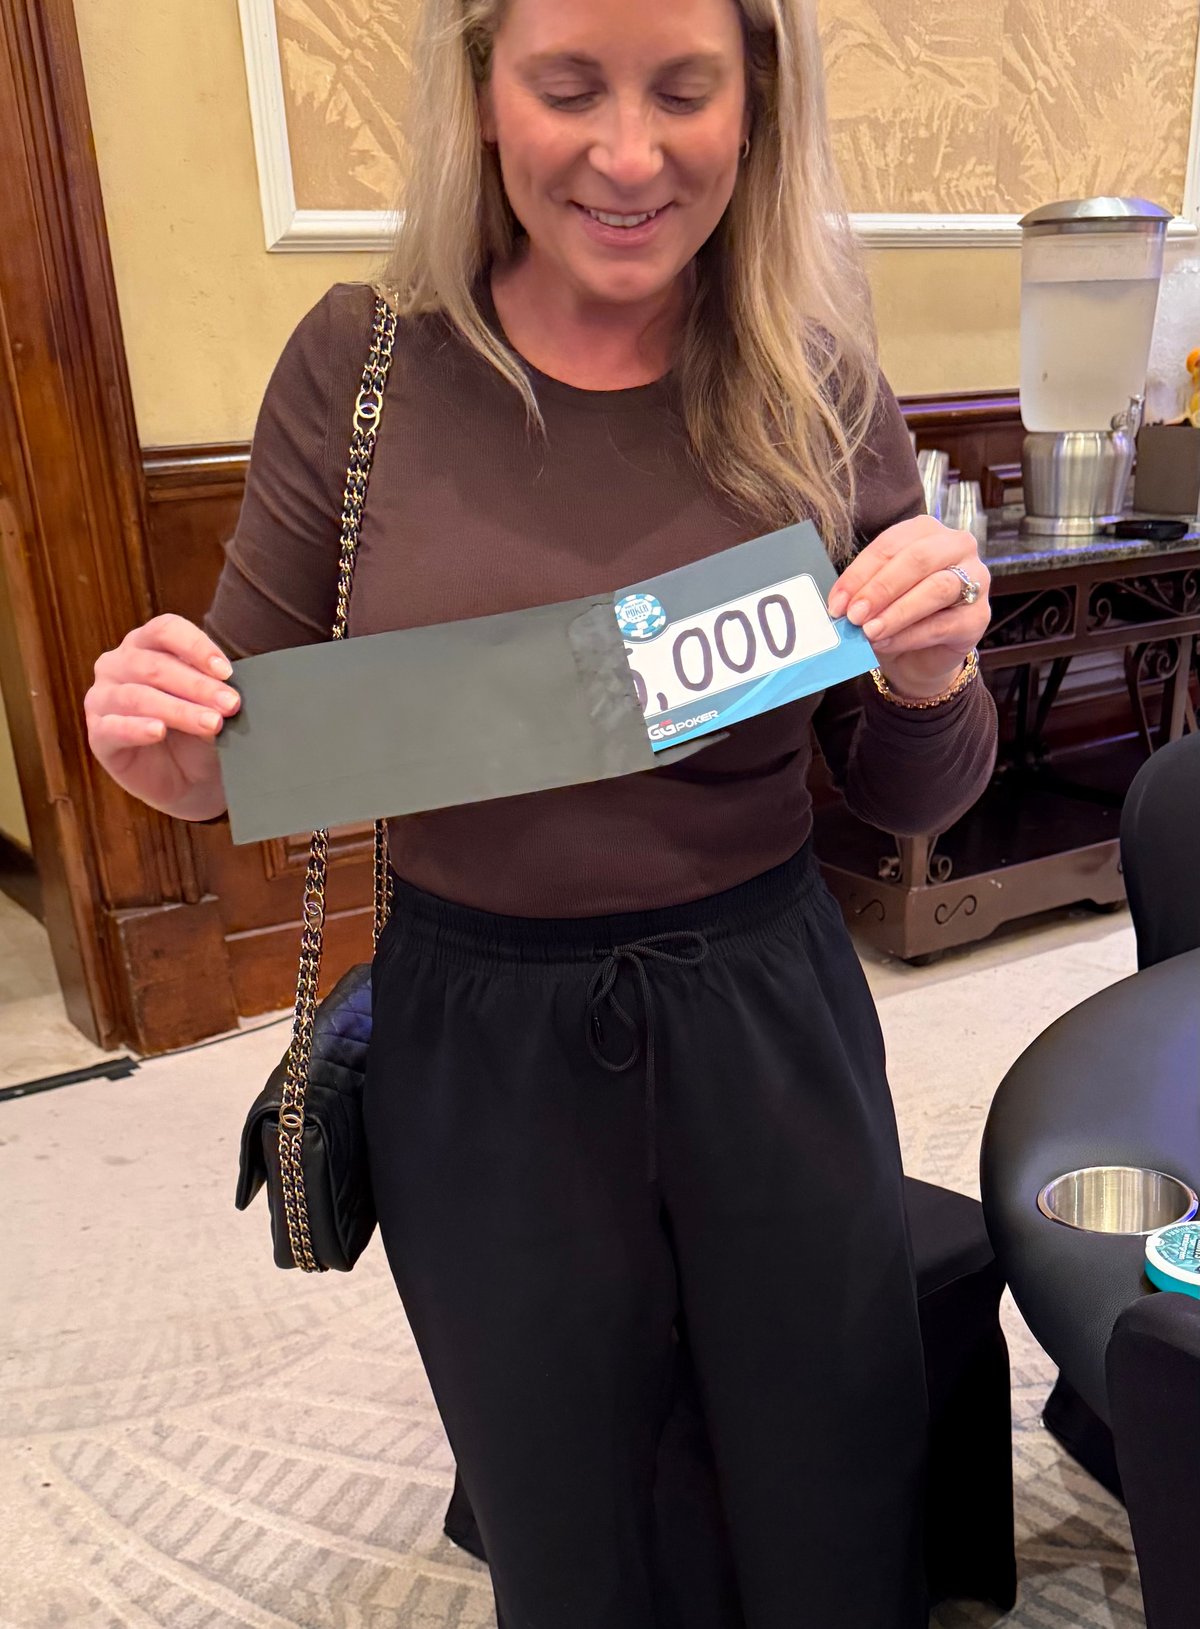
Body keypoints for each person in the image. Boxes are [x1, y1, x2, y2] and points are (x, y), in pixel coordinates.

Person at [85, 0, 997, 1623]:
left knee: (831, 1475)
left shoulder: (816, 382)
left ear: (756, 99)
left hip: (765, 1017)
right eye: (568, 87)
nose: (628, 156)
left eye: (683, 91)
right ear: (482, 90)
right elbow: (240, 726)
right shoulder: (363, 365)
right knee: (563, 1515)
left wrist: (932, 681)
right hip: (476, 1039)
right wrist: (174, 748)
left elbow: (907, 790)